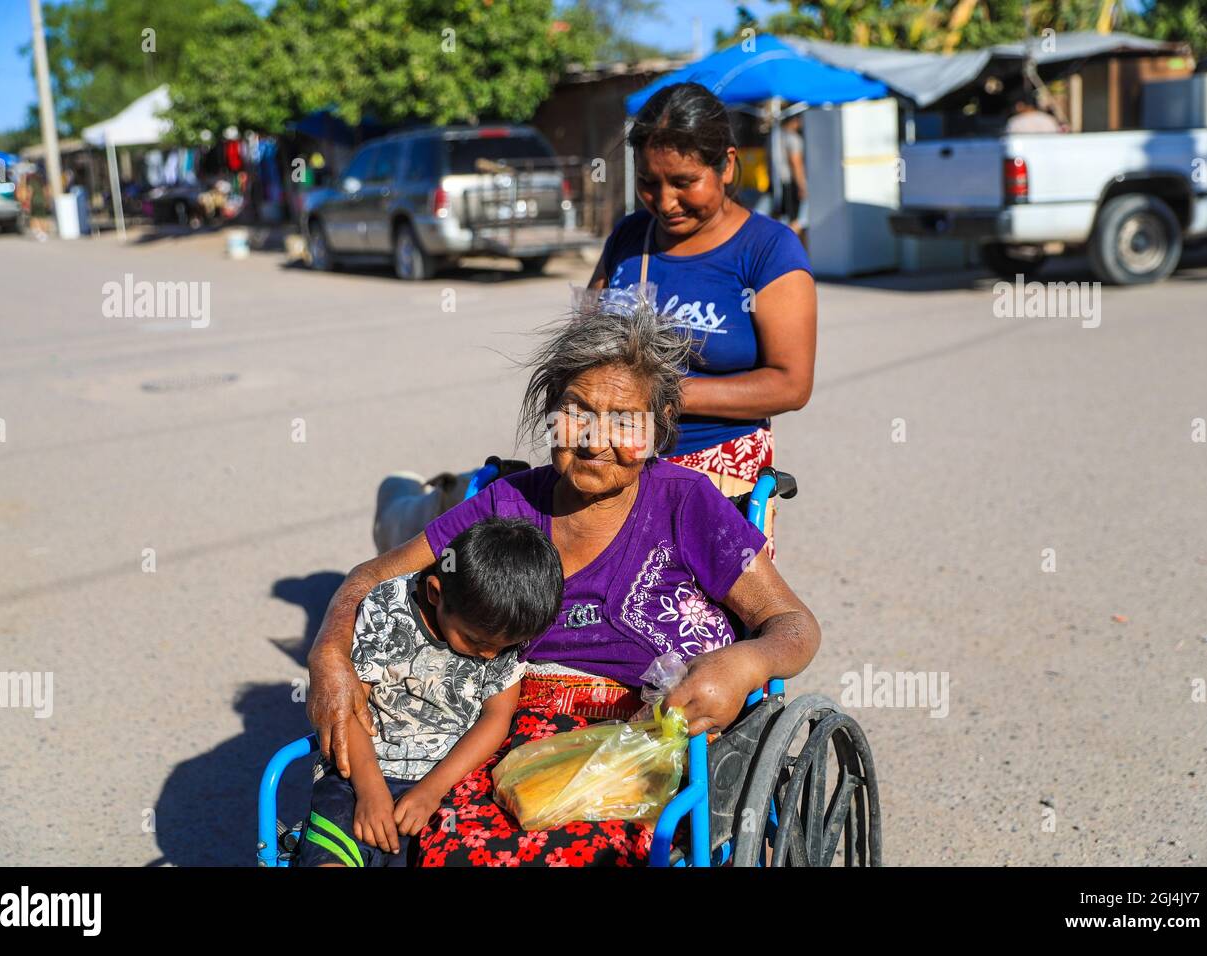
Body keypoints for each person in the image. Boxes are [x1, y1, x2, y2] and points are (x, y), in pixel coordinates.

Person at [304, 292, 822, 866]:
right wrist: (329, 652)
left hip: (649, 747)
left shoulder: (686, 503)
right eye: (578, 412)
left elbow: (794, 625)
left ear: (659, 427)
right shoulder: (508, 505)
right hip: (507, 742)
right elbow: (374, 574)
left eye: (625, 421)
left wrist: (747, 662)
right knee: (449, 847)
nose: (595, 440)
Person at [589, 82, 817, 558]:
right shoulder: (629, 240)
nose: (665, 201)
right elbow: (585, 342)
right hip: (612, 469)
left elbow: (791, 384)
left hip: (718, 478)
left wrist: (665, 393)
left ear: (727, 164)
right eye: (648, 182)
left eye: (684, 182)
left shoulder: (768, 250)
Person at [296, 516, 564, 867]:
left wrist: (432, 791)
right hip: (358, 773)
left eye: (501, 648)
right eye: (476, 642)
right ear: (436, 593)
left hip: (450, 784)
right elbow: (347, 706)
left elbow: (497, 716)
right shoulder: (387, 609)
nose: (489, 656)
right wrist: (370, 789)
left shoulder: (502, 632)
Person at [778, 113, 808, 237]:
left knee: (785, 219)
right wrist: (802, 186)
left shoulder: (776, 137)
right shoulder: (793, 138)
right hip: (792, 184)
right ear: (795, 120)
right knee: (798, 222)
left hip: (780, 183)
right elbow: (796, 164)